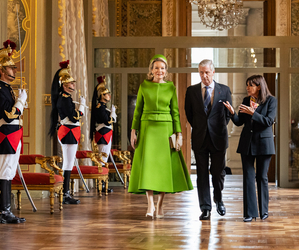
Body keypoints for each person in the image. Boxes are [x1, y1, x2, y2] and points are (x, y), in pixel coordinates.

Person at [128, 54, 193, 219]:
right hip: (147, 129)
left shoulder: (171, 87)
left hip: (166, 129)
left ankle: (160, 204)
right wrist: (133, 131)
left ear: (166, 71)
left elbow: (175, 112)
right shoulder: (144, 86)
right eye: (156, 68)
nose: (159, 71)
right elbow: (137, 111)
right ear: (151, 70)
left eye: (162, 68)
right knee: (149, 167)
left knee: (163, 169)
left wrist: (179, 134)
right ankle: (150, 203)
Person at [223, 75, 277, 222]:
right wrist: (232, 113)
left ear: (259, 86)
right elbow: (239, 122)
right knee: (248, 178)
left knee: (262, 177)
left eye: (250, 85)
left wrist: (253, 113)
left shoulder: (271, 101)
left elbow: (268, 121)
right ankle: (249, 213)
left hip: (264, 144)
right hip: (247, 143)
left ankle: (263, 211)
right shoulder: (246, 101)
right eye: (247, 85)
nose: (247, 88)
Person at [185, 59, 233, 220]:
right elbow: (189, 114)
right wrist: (202, 128)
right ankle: (205, 207)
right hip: (200, 138)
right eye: (201, 72)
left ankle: (218, 199)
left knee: (218, 173)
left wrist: (215, 128)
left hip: (218, 138)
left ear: (213, 72)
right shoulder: (191, 91)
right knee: (202, 174)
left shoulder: (224, 90)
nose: (204, 75)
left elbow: (227, 115)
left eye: (207, 72)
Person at [0, 40, 27, 224]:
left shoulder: (7, 89)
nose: (15, 70)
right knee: (4, 172)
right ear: (2, 70)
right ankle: (4, 212)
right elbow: (9, 116)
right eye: (11, 68)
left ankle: (7, 210)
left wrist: (19, 100)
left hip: (12, 135)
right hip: (4, 135)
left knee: (9, 172)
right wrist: (20, 102)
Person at [49, 60, 86, 205]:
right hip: (68, 132)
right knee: (68, 163)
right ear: (64, 86)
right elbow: (75, 116)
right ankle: (65, 193)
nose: (73, 85)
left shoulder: (66, 98)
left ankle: (66, 193)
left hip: (71, 131)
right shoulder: (64, 100)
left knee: (69, 162)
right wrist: (81, 107)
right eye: (71, 83)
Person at [90, 75, 117, 193]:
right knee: (102, 159)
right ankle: (101, 184)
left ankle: (104, 183)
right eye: (107, 94)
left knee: (104, 159)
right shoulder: (99, 107)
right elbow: (107, 121)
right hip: (103, 134)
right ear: (102, 95)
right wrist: (113, 114)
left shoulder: (104, 107)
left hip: (106, 134)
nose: (109, 96)